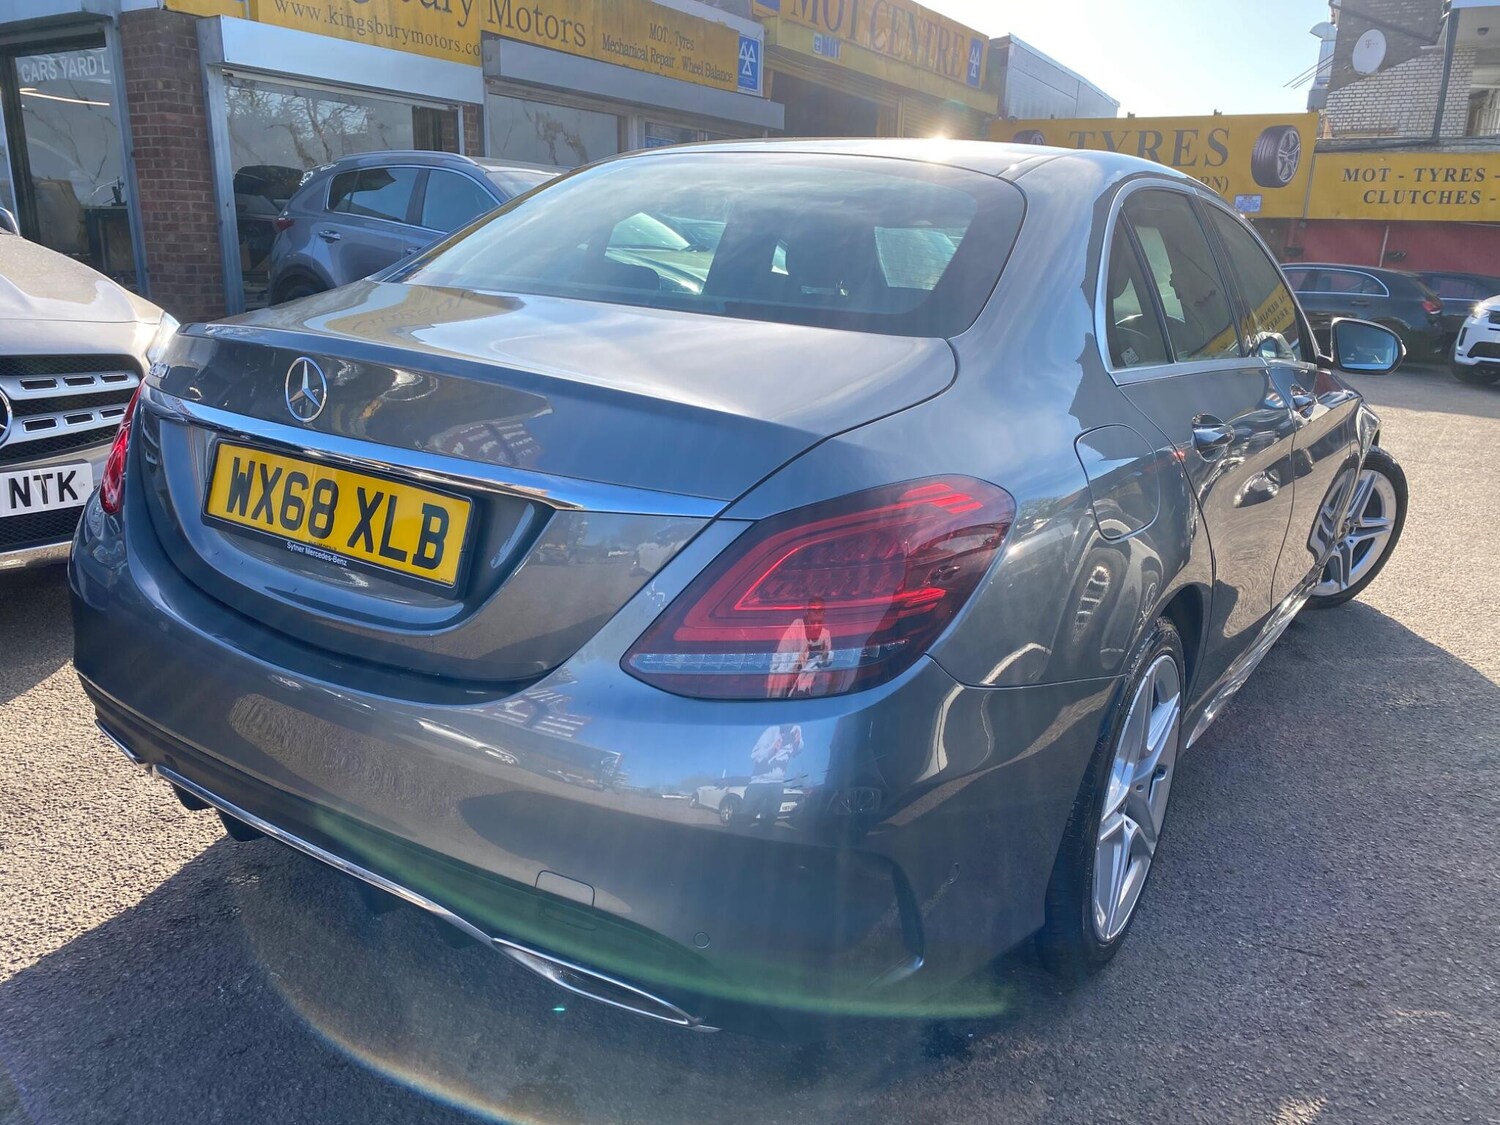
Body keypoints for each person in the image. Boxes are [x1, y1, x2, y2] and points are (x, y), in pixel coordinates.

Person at [767, 597, 833, 698]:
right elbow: (783, 654)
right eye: (813, 610)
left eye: (820, 610)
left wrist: (823, 655)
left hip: (809, 683)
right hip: (787, 674)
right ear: (808, 612)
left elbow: (825, 663)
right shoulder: (797, 626)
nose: (817, 613)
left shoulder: (825, 634)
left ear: (824, 612)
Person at [740, 724, 803, 826]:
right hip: (759, 782)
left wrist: (798, 742)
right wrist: (772, 750)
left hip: (778, 784)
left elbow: (797, 751)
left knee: (769, 822)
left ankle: (763, 840)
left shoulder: (796, 728)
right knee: (743, 819)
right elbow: (755, 756)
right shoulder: (771, 731)